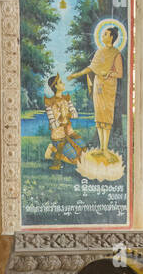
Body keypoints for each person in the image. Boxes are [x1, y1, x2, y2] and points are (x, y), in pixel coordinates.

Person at [68, 25, 124, 160]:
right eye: (103, 34)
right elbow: (91, 68)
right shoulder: (99, 52)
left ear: (111, 37)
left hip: (109, 87)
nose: (103, 36)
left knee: (107, 117)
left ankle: (105, 148)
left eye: (105, 34)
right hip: (98, 86)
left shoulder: (116, 54)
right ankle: (101, 148)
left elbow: (120, 73)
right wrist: (76, 75)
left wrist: (109, 73)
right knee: (99, 117)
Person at [42, 74, 84, 170]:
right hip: (58, 136)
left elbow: (75, 114)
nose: (63, 83)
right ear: (55, 86)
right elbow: (52, 124)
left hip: (70, 132)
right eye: (61, 82)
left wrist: (68, 114)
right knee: (75, 160)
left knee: (83, 149)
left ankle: (57, 150)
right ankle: (53, 150)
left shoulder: (66, 99)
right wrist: (60, 120)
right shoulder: (49, 102)